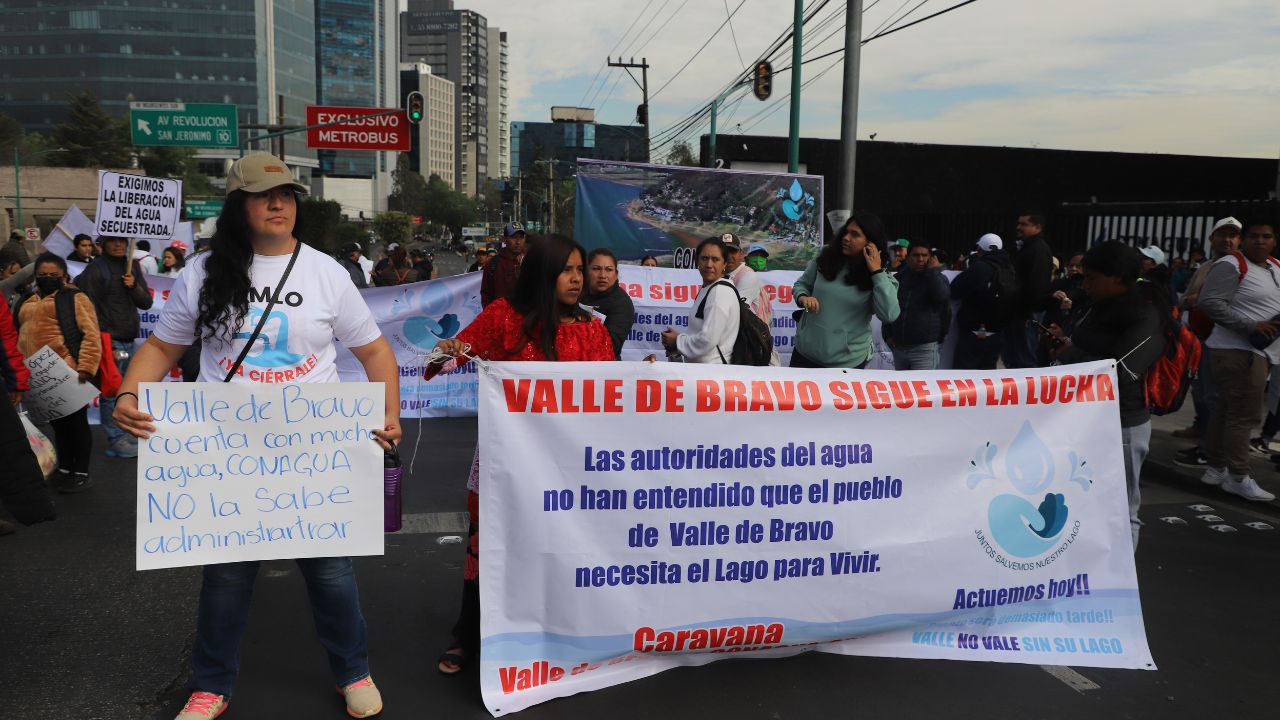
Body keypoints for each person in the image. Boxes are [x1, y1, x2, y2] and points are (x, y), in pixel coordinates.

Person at [110, 152, 401, 719]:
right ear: (238, 206)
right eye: (265, 195)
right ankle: (212, 684)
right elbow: (162, 347)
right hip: (228, 448)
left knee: (331, 570)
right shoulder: (202, 271)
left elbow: (375, 351)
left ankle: (353, 671)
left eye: (288, 195)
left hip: (312, 446)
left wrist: (390, 415)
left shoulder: (326, 272)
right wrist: (127, 393)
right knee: (225, 574)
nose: (278, 204)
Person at [429, 234, 614, 676]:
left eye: (579, 269)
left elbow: (612, 398)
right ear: (542, 273)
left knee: (557, 550)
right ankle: (469, 635)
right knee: (488, 549)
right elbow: (441, 365)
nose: (577, 278)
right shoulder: (503, 318)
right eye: (566, 269)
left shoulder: (593, 330)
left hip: (567, 472)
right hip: (504, 466)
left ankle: (549, 633)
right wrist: (447, 350)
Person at [1047, 241, 1167, 549]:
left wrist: (1071, 354)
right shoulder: (1098, 305)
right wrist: (1064, 344)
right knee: (1081, 504)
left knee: (1122, 511)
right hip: (1082, 419)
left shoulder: (1146, 313)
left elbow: (1121, 371)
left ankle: (1123, 588)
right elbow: (1087, 347)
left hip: (1122, 424)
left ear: (1117, 276)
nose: (1085, 285)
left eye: (1092, 278)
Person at [1195, 218, 1280, 502]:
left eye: (1266, 236)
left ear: (1274, 240)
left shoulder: (1274, 267)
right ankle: (1238, 477)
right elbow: (1209, 302)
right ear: (1246, 240)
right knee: (1244, 416)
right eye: (1254, 236)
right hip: (1239, 351)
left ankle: (1216, 468)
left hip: (1258, 352)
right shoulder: (1231, 264)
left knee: (1226, 412)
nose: (1259, 241)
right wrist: (1251, 326)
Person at [15, 253, 102, 493]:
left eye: (53, 275)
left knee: (76, 425)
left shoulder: (75, 298)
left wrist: (85, 366)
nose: (47, 278)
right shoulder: (26, 300)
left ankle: (81, 472)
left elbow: (91, 334)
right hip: (38, 376)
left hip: (68, 371)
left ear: (63, 275)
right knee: (59, 426)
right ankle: (65, 469)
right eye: (42, 275)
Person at [75, 234, 152, 458]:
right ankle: (117, 439)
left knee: (128, 391)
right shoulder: (96, 270)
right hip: (109, 340)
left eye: (122, 240)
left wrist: (134, 286)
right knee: (111, 393)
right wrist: (100, 341)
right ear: (103, 244)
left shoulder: (133, 266)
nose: (118, 244)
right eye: (112, 240)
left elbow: (145, 302)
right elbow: (87, 310)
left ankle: (127, 433)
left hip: (130, 338)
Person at [790, 213, 900, 369]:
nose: (846, 238)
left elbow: (889, 315)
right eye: (846, 232)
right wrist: (803, 297)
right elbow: (802, 285)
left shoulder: (882, 278)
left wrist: (876, 272)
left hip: (847, 364)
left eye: (855, 234)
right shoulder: (826, 255)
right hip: (805, 354)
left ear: (871, 244)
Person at [1172, 217, 1242, 454]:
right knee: (1199, 389)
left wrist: (1199, 301)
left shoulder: (1240, 267)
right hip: (1198, 336)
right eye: (1223, 234)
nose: (1228, 240)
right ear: (1212, 238)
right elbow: (1186, 298)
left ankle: (1210, 449)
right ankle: (1202, 429)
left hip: (1221, 340)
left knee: (1214, 394)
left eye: (1233, 235)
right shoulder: (1205, 266)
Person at [661, 237, 740, 364]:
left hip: (712, 374)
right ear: (697, 261)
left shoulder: (719, 291)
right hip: (705, 373)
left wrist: (677, 341)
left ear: (724, 264)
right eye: (704, 258)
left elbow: (708, 339)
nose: (709, 265)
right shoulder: (710, 288)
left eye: (715, 259)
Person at [950, 234, 1017, 370]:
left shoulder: (980, 268)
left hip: (973, 333)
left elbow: (954, 290)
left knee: (964, 378)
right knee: (987, 379)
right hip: (998, 333)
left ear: (980, 249)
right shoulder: (1010, 268)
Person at [883, 241, 950, 370]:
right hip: (899, 348)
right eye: (916, 255)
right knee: (901, 389)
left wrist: (933, 272)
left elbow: (942, 297)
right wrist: (887, 335)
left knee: (926, 390)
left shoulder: (938, 278)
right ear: (908, 257)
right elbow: (888, 307)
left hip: (924, 350)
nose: (920, 259)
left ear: (930, 258)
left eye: (925, 255)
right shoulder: (899, 278)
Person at [1001, 212, 1054, 369]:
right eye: (1019, 223)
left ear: (1037, 227)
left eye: (1024, 224)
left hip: (1026, 314)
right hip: (1020, 312)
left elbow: (1035, 284)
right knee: (1015, 358)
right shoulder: (1027, 248)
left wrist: (1026, 313)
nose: (1018, 227)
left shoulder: (1037, 250)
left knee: (1023, 361)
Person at [582, 247, 635, 360]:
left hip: (604, 370)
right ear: (586, 271)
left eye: (609, 270)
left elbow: (610, 346)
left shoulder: (622, 303)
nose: (602, 275)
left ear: (616, 274)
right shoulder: (575, 293)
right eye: (596, 269)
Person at [481, 222, 527, 306]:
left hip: (524, 316)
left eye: (521, 237)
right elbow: (486, 295)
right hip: (499, 316)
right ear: (504, 239)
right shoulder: (493, 264)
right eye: (514, 237)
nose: (518, 242)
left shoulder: (530, 261)